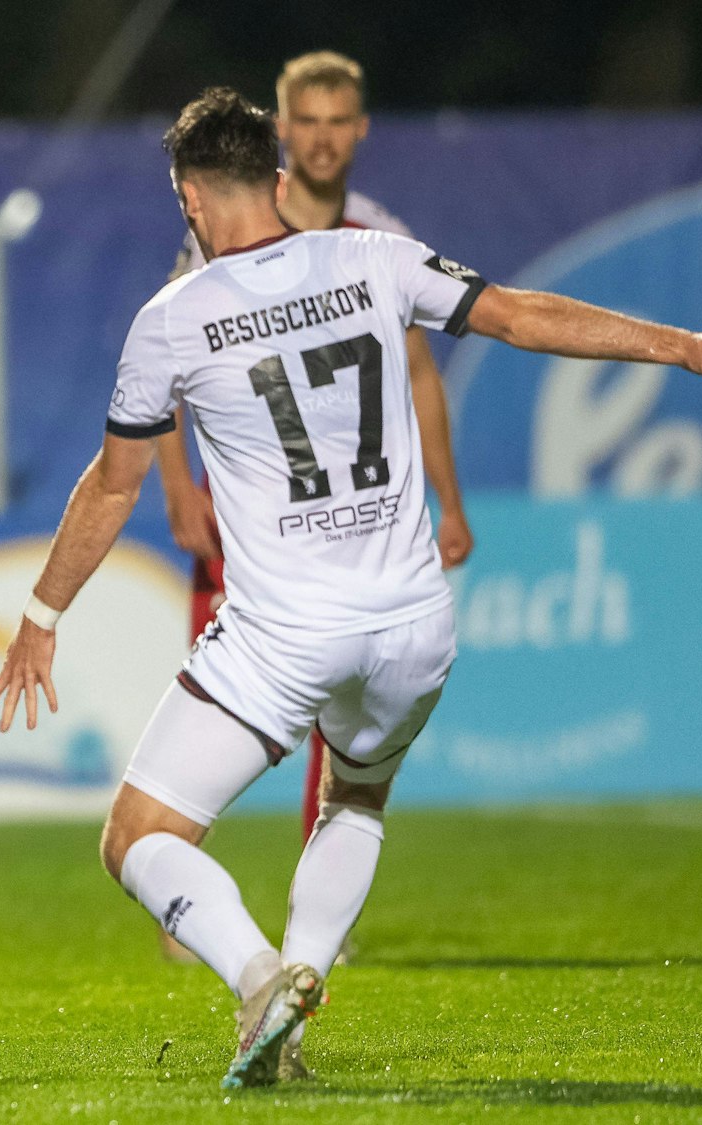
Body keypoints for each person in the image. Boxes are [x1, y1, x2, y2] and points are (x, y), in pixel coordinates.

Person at [0, 87, 702, 1089]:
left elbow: (113, 483)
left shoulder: (172, 319)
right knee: (353, 796)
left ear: (188, 198)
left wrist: (42, 614)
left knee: (136, 836)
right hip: (412, 625)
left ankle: (259, 976)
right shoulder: (372, 258)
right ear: (278, 178)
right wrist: (681, 344)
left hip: (284, 634)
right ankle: (298, 994)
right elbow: (519, 316)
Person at [160, 51, 473, 862]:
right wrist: (176, 486)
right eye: (308, 121)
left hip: (349, 519)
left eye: (338, 122)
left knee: (344, 733)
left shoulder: (378, 238)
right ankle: (178, 888)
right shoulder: (224, 227)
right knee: (207, 710)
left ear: (361, 130)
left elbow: (418, 373)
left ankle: (314, 904)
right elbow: (163, 360)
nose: (324, 139)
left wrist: (449, 499)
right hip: (242, 519)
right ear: (282, 129)